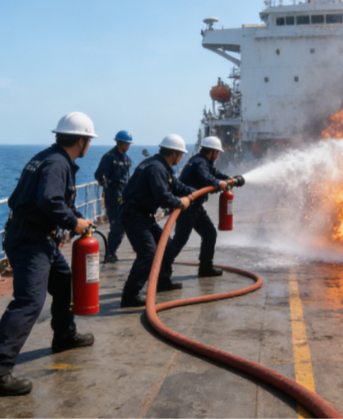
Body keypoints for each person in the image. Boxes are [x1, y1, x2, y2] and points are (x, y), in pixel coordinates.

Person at [0, 113, 98, 396]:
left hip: (35, 236)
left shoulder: (46, 157)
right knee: (30, 300)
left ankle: (64, 335)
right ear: (81, 141)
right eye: (88, 140)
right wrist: (72, 222)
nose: (88, 145)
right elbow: (48, 201)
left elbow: (50, 200)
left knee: (62, 280)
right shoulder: (57, 164)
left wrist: (77, 218)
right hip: (31, 240)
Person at [118, 135, 196, 308]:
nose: (181, 157)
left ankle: (162, 281)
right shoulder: (156, 168)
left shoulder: (162, 166)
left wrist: (194, 192)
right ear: (175, 153)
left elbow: (175, 186)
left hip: (145, 215)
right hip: (134, 216)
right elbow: (163, 197)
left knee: (166, 246)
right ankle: (129, 295)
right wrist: (180, 202)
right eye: (181, 154)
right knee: (148, 254)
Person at [162, 136, 243, 279]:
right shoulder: (200, 163)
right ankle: (161, 271)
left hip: (195, 206)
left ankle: (206, 267)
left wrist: (230, 179)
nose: (217, 156)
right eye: (217, 153)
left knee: (209, 233)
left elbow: (215, 173)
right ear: (210, 152)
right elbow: (206, 177)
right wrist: (219, 184)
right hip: (187, 206)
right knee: (180, 240)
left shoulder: (203, 161)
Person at [94, 130, 133, 263]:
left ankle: (114, 251)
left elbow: (127, 177)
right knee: (116, 225)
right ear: (119, 143)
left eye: (129, 144)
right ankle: (110, 252)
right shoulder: (109, 157)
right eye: (126, 143)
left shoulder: (126, 159)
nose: (128, 146)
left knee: (126, 223)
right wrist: (106, 186)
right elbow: (98, 175)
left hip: (124, 193)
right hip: (112, 194)